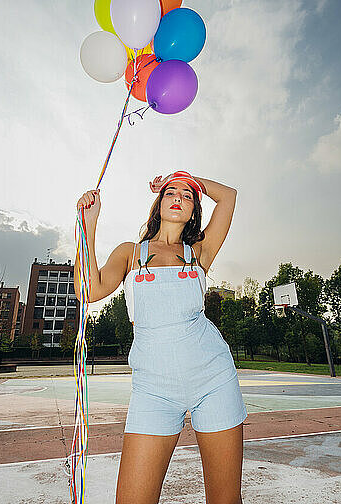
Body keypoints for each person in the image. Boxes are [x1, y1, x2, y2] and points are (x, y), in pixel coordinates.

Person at [75, 171, 247, 504]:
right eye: (171, 192)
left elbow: (229, 196)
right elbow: (89, 290)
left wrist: (182, 174)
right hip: (153, 391)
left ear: (194, 209)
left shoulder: (199, 251)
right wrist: (87, 224)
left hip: (214, 380)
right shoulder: (130, 253)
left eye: (187, 194)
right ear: (159, 203)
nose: (179, 197)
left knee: (225, 500)